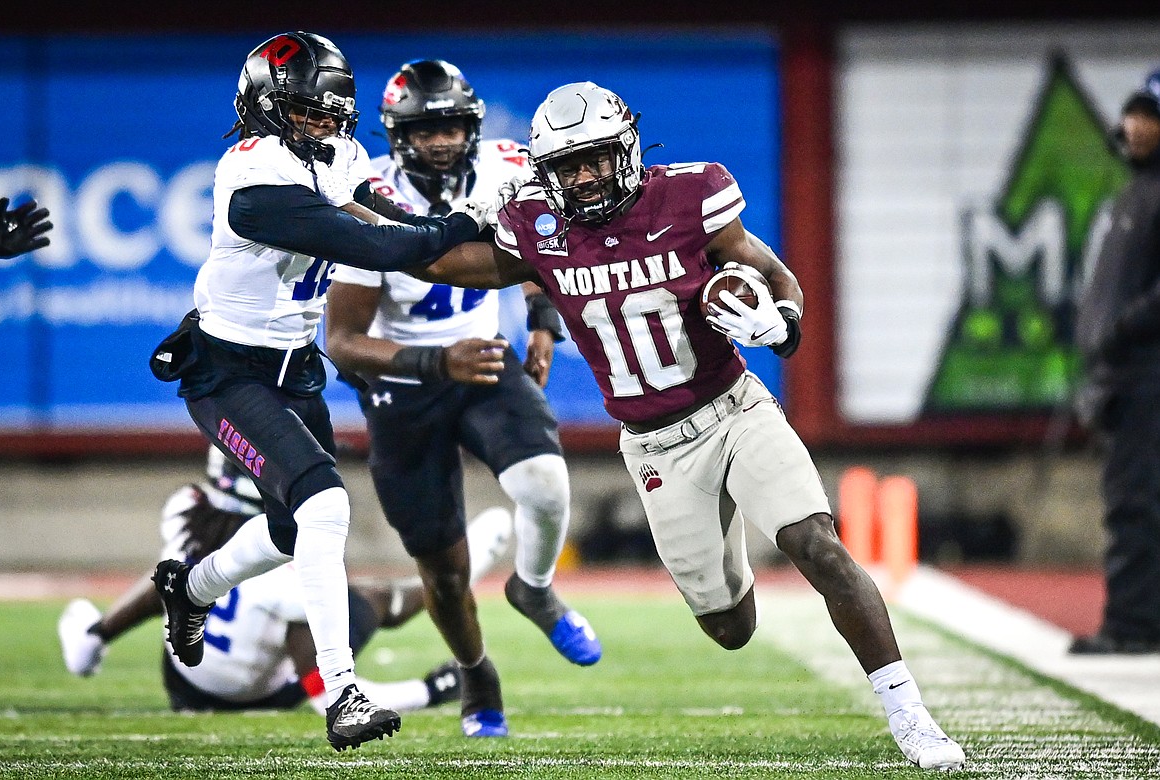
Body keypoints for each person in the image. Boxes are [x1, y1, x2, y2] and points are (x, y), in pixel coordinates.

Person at [368, 81, 965, 770]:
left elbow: (775, 275)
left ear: (627, 148)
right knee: (728, 628)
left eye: (596, 159)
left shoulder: (691, 196)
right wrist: (370, 212)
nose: (585, 177)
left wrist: (784, 322)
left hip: (734, 409)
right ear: (546, 174)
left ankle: (909, 714)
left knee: (816, 544)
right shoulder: (537, 226)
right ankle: (730, 537)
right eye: (568, 167)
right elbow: (439, 262)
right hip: (654, 446)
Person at [146, 31, 490, 751]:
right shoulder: (251, 173)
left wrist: (461, 226)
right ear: (266, 107)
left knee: (286, 528)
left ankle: (192, 588)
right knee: (324, 506)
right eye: (307, 112)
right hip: (227, 371)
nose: (325, 127)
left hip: (293, 366)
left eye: (334, 113)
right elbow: (375, 247)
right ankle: (343, 693)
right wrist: (455, 225)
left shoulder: (339, 153)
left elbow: (389, 217)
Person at [325, 59, 601, 739]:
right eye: (428, 129)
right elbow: (344, 340)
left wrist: (542, 320)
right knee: (443, 573)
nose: (444, 140)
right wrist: (433, 361)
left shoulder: (506, 170)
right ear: (397, 135)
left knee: (544, 480)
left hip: (479, 359)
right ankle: (477, 673)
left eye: (454, 125)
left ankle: (533, 588)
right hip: (404, 381)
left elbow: (541, 249)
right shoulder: (372, 199)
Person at [58, 446, 513, 715]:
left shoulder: (184, 506)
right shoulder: (283, 565)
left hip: (180, 677)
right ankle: (454, 580)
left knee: (177, 578)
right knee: (362, 597)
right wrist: (433, 689)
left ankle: (97, 635)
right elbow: (325, 696)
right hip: (257, 694)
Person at [1070, 68, 1160, 656]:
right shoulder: (1137, 191)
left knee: (1136, 500)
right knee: (1133, 497)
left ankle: (1133, 625)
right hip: (1126, 373)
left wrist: (1121, 329)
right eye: (1133, 113)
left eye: (1148, 115)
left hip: (1148, 374)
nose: (1134, 125)